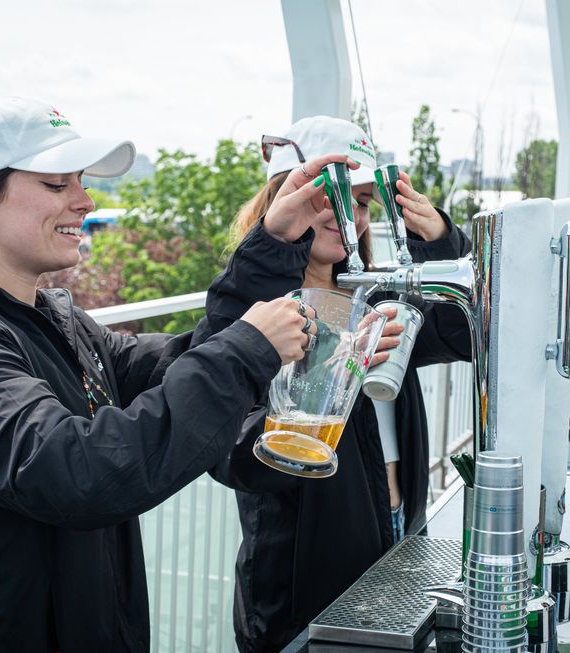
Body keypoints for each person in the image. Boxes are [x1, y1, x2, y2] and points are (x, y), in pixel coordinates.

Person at [0, 96, 314, 652]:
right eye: (57, 184)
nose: (85, 200)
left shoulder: (60, 322)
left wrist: (273, 246)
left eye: (80, 182)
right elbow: (77, 472)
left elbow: (188, 361)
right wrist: (248, 349)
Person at [197, 115, 473, 652]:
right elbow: (230, 447)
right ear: (283, 197)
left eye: (362, 201)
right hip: (301, 583)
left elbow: (466, 330)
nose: (348, 214)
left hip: (398, 542)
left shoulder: (378, 299)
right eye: (327, 195)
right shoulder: (254, 312)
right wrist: (329, 371)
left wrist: (440, 240)